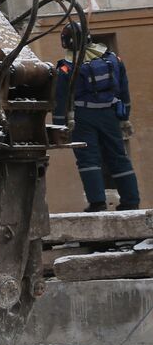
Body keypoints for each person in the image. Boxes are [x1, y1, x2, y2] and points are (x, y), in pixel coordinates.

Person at [54, 22, 139, 212]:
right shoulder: (114, 59)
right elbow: (124, 90)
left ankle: (97, 202)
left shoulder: (66, 68)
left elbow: (60, 101)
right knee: (119, 156)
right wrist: (125, 117)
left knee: (88, 159)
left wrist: (59, 127)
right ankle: (131, 201)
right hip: (110, 114)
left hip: (83, 117)